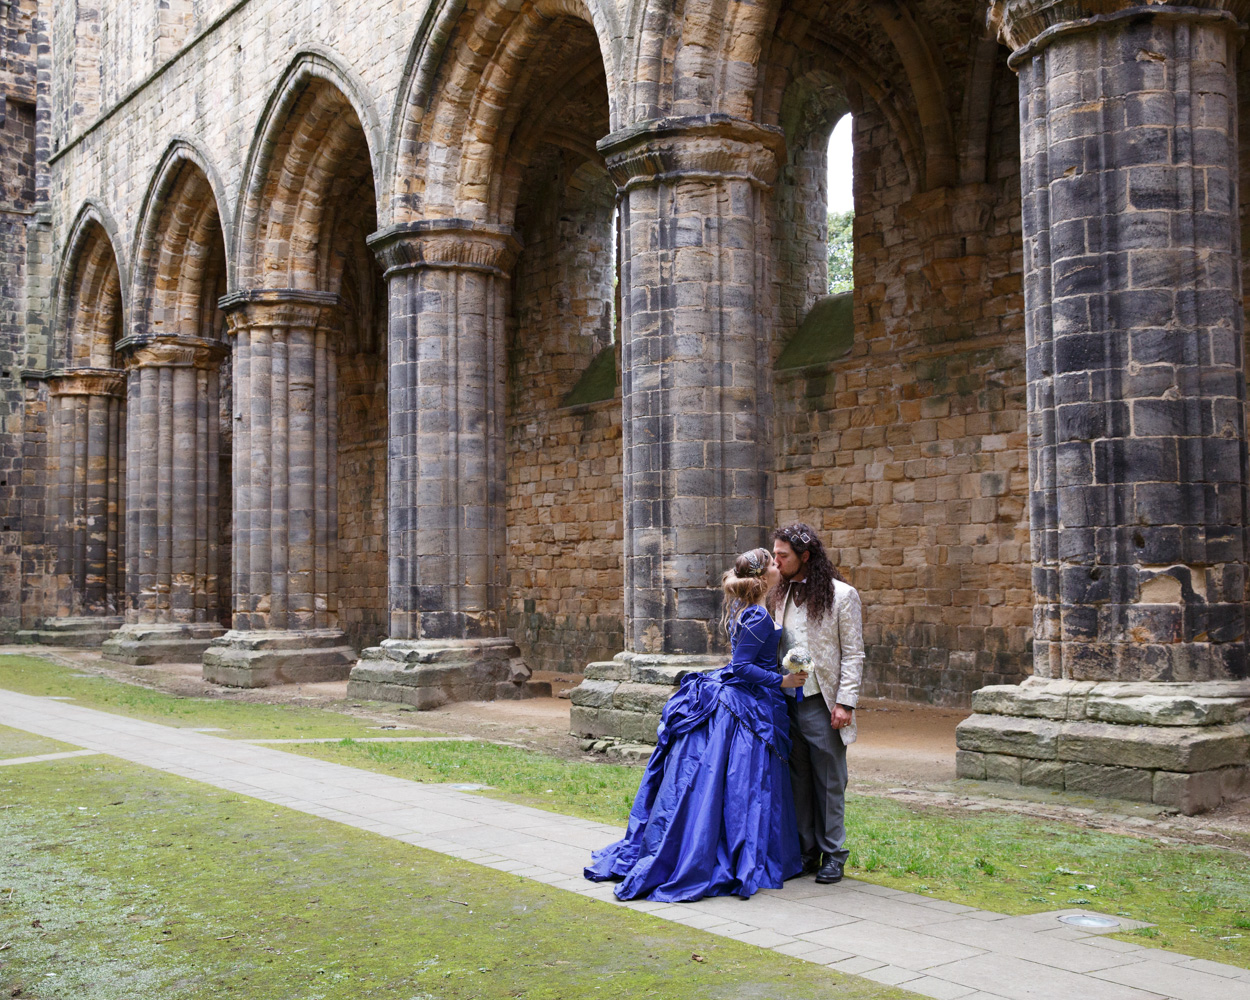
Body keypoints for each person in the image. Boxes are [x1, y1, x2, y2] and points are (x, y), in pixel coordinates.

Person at [584, 548, 809, 902]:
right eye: (772, 564)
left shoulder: (746, 610)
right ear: (764, 578)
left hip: (749, 698)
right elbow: (740, 668)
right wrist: (782, 681)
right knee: (744, 783)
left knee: (730, 782)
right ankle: (732, 853)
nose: (778, 566)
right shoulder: (758, 618)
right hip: (749, 702)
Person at [771, 523, 864, 886]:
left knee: (830, 781)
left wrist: (845, 703)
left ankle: (834, 854)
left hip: (822, 703)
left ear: (805, 557)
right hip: (785, 701)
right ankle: (806, 851)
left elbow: (854, 654)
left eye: (783, 556)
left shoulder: (843, 596)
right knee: (799, 780)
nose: (776, 562)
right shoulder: (777, 593)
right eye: (775, 554)